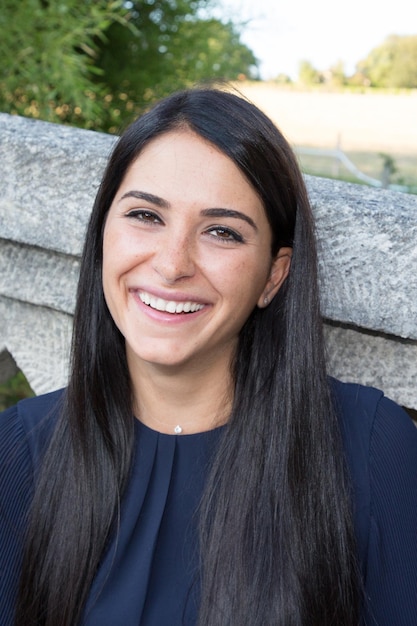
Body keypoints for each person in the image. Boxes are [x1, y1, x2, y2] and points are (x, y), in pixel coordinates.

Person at [1, 87, 416, 626]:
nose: (173, 264)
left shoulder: (371, 447)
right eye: (146, 215)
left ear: (274, 275)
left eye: (222, 232)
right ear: (104, 234)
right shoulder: (19, 453)